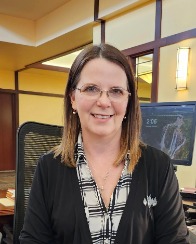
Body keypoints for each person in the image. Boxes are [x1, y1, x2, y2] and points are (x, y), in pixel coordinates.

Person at [19, 43, 190, 244]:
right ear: (73, 98)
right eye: (91, 88)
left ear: (128, 101)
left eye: (116, 91)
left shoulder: (158, 166)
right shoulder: (49, 167)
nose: (104, 101)